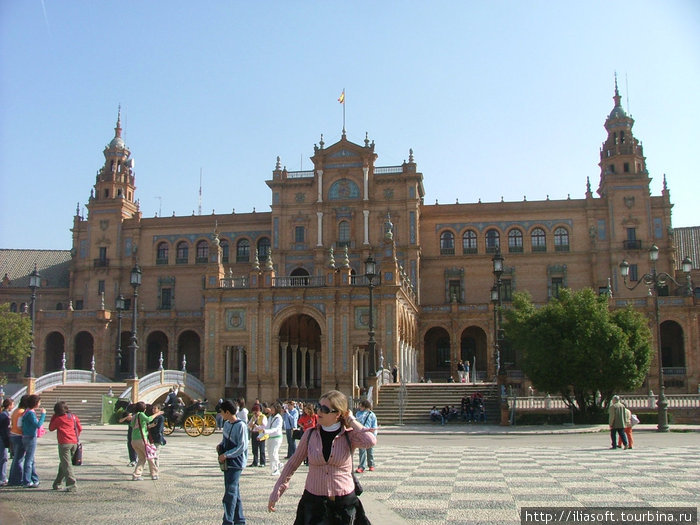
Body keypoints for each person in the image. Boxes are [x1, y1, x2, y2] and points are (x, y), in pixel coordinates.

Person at [267, 390, 376, 524]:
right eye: (318, 407)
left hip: (344, 503)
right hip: (314, 502)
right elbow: (292, 464)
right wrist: (277, 491)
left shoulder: (349, 435)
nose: (319, 411)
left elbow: (370, 441)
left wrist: (351, 420)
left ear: (338, 414)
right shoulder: (310, 435)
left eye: (324, 409)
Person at [217, 399, 248, 525]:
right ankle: (240, 520)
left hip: (236, 462)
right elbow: (225, 441)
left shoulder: (241, 425)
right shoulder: (227, 424)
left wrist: (227, 454)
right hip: (227, 461)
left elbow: (242, 446)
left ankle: (228, 521)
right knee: (234, 491)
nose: (221, 415)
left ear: (228, 412)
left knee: (230, 492)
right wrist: (220, 446)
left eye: (222, 412)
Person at [48, 401, 82, 492]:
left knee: (66, 464)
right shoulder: (73, 417)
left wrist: (53, 417)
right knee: (64, 463)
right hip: (74, 442)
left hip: (64, 443)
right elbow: (79, 428)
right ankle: (57, 483)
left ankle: (72, 484)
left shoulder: (59, 419)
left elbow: (51, 428)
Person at [130, 401, 162, 480]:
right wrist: (157, 414)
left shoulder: (134, 416)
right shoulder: (141, 414)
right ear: (143, 409)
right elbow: (148, 419)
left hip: (134, 440)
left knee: (142, 458)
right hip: (141, 439)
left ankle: (136, 475)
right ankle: (154, 474)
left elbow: (132, 425)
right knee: (150, 457)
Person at [21, 394, 46, 487]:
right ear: (35, 403)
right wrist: (43, 414)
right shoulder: (30, 413)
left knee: (31, 459)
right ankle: (27, 480)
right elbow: (38, 424)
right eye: (39, 402)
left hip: (26, 436)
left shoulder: (27, 411)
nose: (40, 404)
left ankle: (34, 478)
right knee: (29, 460)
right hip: (30, 437)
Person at [256, 402, 284, 476]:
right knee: (270, 453)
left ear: (276, 409)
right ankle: (278, 464)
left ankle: (276, 469)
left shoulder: (279, 418)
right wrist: (260, 436)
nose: (271, 409)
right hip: (270, 437)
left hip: (277, 438)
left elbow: (275, 429)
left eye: (272, 408)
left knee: (274, 453)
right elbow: (267, 427)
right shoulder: (271, 417)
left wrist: (267, 431)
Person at [354, 400, 378, 473]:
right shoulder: (358, 414)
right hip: (361, 434)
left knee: (370, 451)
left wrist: (374, 434)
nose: (359, 407)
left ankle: (371, 465)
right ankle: (361, 466)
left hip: (369, 434)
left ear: (365, 406)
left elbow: (374, 424)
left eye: (360, 406)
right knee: (362, 451)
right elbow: (356, 422)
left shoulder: (371, 414)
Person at [116, 400, 137, 466]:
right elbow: (120, 420)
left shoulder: (138, 415)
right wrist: (127, 417)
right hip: (131, 431)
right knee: (130, 444)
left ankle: (137, 459)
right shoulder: (127, 413)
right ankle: (133, 460)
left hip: (138, 432)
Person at [0, 398, 14, 486]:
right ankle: (2, 477)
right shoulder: (5, 416)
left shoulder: (3, 414)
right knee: (3, 458)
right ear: (9, 406)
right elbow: (5, 430)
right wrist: (8, 442)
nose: (13, 406)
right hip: (2, 438)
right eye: (12, 404)